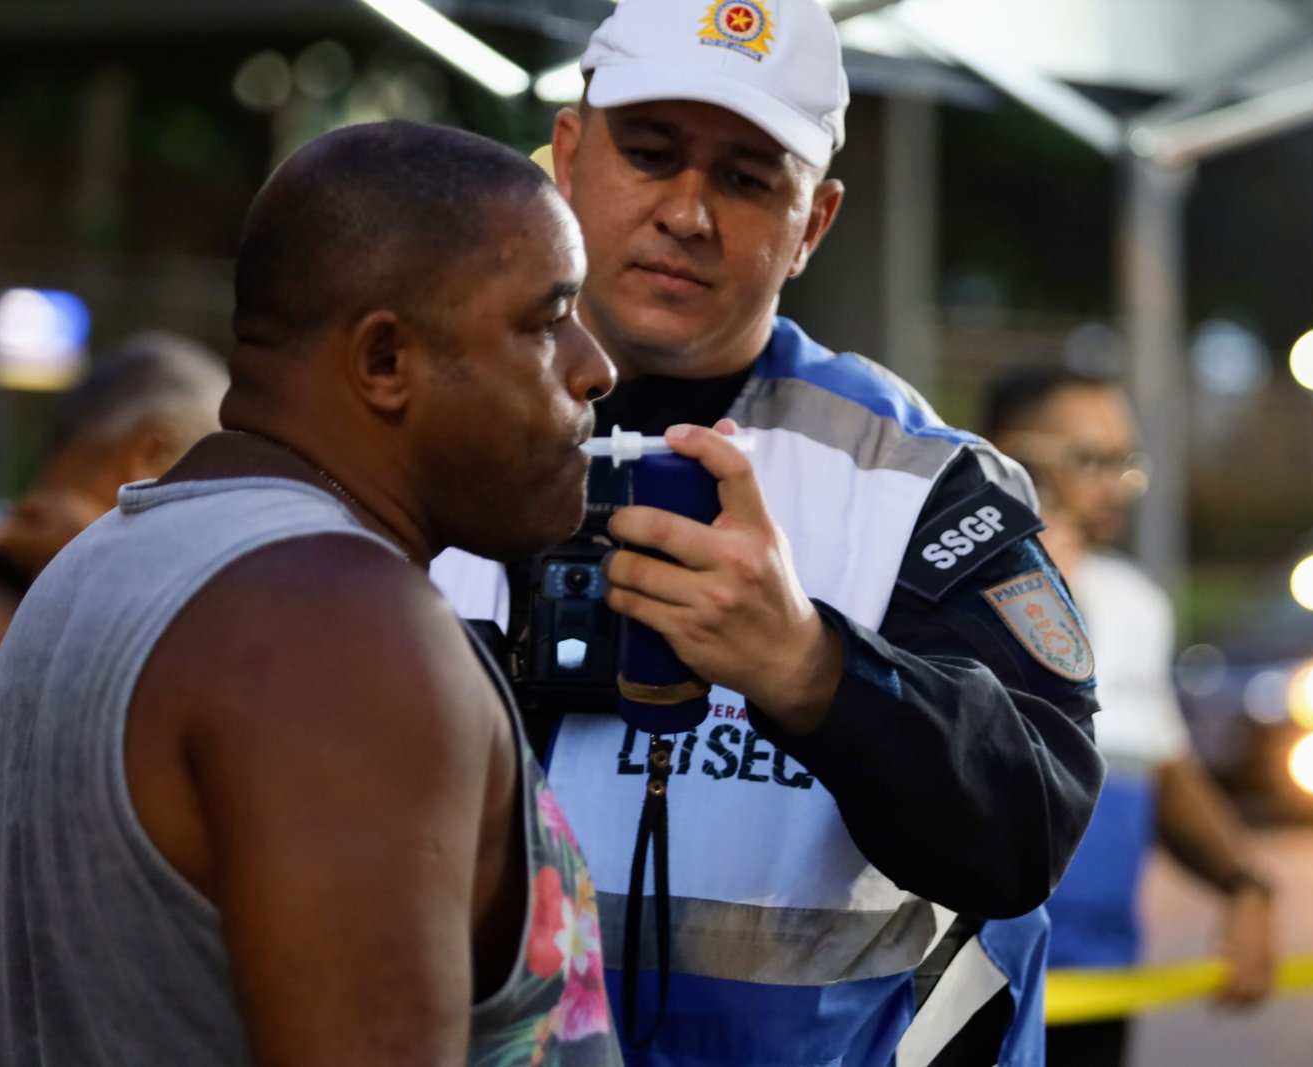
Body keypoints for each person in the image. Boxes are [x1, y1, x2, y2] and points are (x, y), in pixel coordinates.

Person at [430, 2, 1104, 1064]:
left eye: (747, 179)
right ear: (567, 153)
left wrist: (813, 668)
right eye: (650, 155)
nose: (688, 212)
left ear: (815, 223)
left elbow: (1031, 822)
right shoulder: (424, 425)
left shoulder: (919, 484)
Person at [0, 122, 624, 1066]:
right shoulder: (339, 628)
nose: (596, 367)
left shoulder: (101, 560)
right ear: (385, 362)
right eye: (547, 321)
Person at [0, 330, 226, 1066]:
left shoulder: (39, 594)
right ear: (151, 456)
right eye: (211, 472)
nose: (219, 516)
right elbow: (184, 748)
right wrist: (112, 561)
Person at [981, 365, 1278, 1067]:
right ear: (1004, 453)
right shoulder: (937, 595)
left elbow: (1160, 765)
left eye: (1124, 462)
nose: (1114, 483)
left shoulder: (1135, 602)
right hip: (967, 985)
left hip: (1100, 981)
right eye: (1090, 459)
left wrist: (1247, 882)